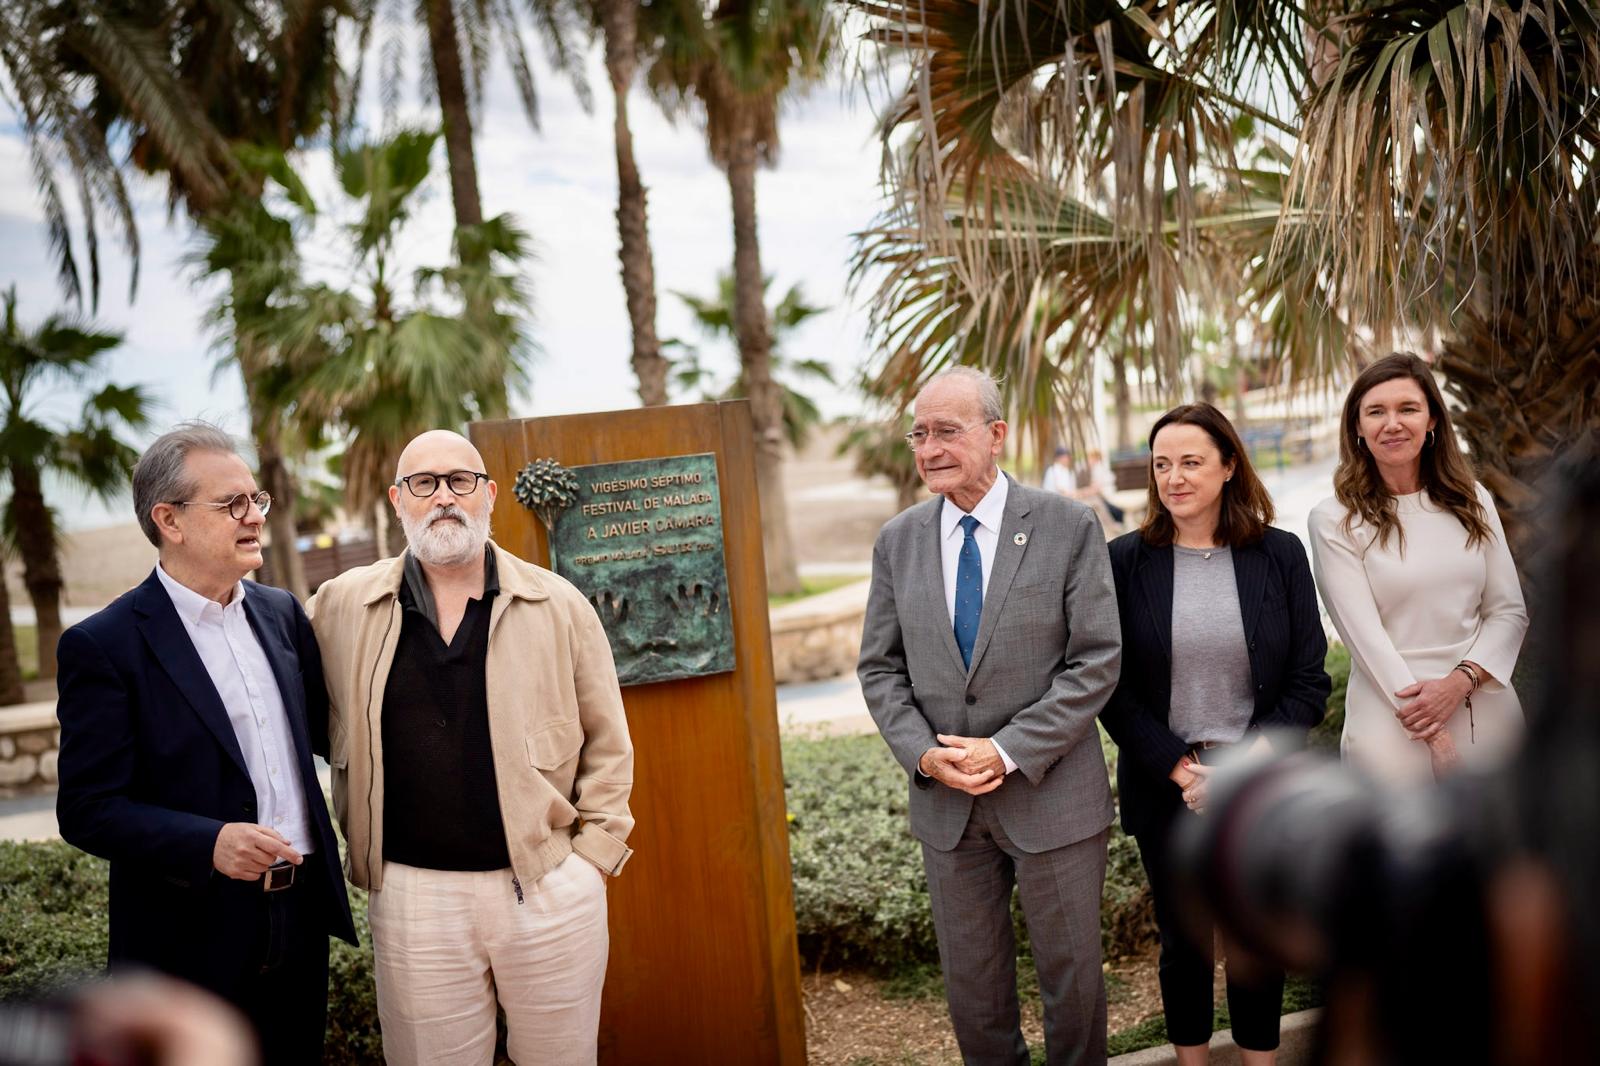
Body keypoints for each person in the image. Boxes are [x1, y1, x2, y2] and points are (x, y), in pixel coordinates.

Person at [307, 429, 635, 1066]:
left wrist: (590, 863)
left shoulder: (558, 603)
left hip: (545, 887)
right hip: (411, 897)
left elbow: (609, 743)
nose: (443, 498)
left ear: (487, 495)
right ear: (398, 500)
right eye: (423, 484)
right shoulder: (342, 605)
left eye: (459, 481)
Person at [54, 423, 357, 1065]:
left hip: (299, 917)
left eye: (258, 500)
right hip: (187, 936)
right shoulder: (103, 645)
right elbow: (85, 808)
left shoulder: (281, 614)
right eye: (233, 504)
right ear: (170, 520)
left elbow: (332, 736)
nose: (254, 518)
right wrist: (208, 843)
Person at [858, 367, 1122, 1065]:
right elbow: (879, 668)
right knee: (974, 997)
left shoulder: (1067, 525)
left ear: (996, 435)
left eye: (948, 431)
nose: (930, 448)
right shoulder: (898, 541)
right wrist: (924, 753)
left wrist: (1004, 750)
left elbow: (1095, 660)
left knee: (1073, 989)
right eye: (920, 433)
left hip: (1052, 795)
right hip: (949, 809)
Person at [1100, 404, 1329, 1065]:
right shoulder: (1124, 562)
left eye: (1191, 462)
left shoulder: (1279, 554)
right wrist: (1181, 769)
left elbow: (1307, 683)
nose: (1174, 477)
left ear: (1229, 466)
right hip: (1168, 782)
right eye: (1162, 464)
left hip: (1261, 781)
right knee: (1185, 943)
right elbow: (1112, 689)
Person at [1309, 353, 1529, 784]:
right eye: (1376, 411)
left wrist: (1460, 682)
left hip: (1486, 708)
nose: (1392, 423)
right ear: (1357, 426)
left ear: (1431, 421)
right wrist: (1437, 737)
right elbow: (1366, 640)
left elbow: (1509, 611)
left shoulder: (1474, 499)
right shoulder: (1334, 519)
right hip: (1391, 723)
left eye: (1407, 409)